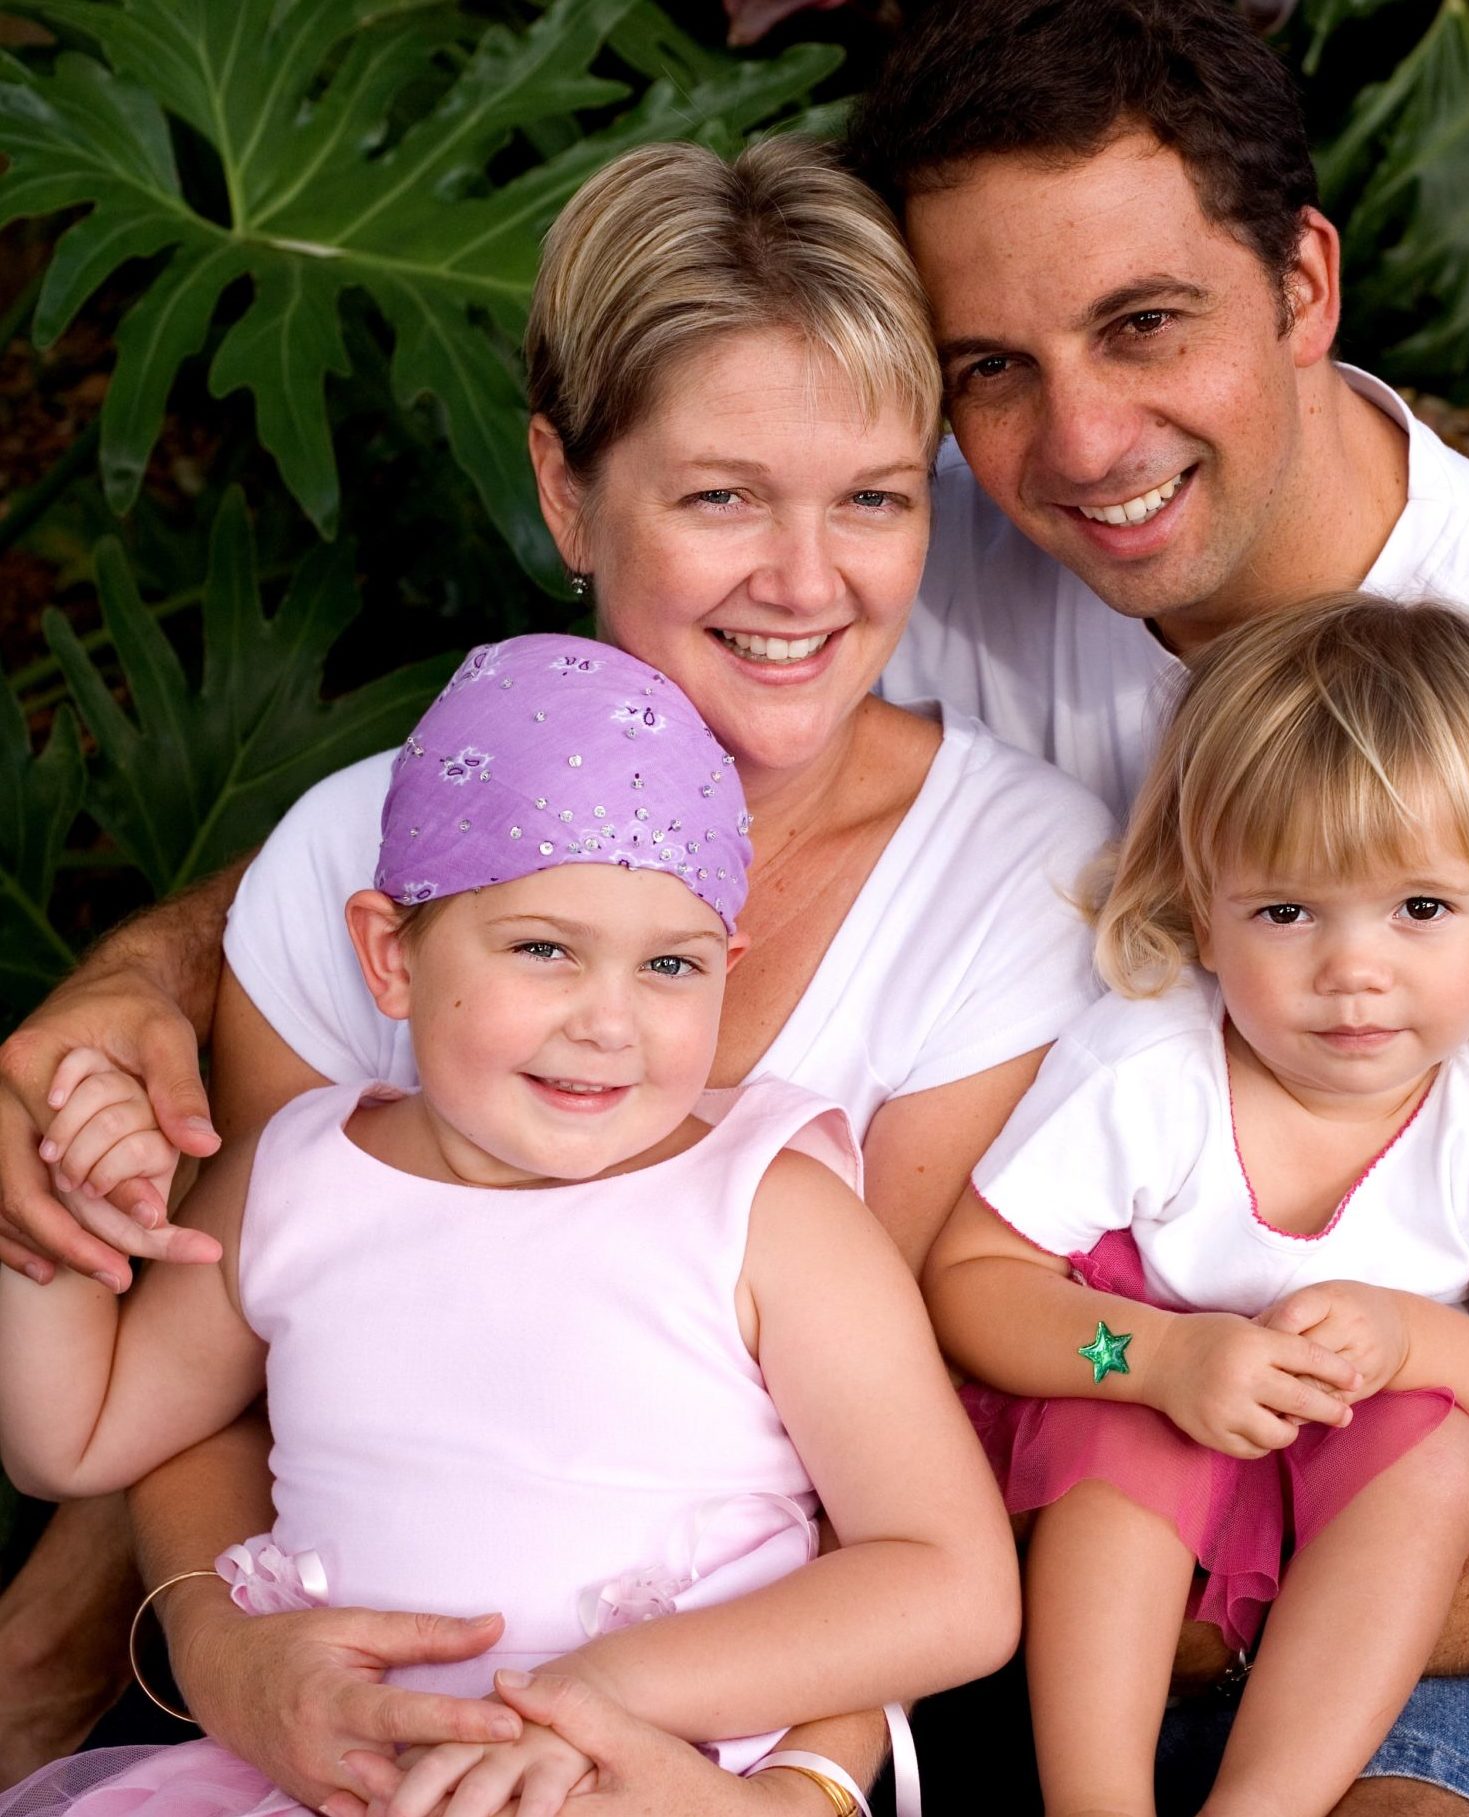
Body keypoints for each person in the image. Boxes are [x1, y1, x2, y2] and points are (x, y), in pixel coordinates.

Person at [0, 138, 1110, 1813]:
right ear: (564, 485)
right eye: (720, 494)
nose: (807, 583)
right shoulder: (346, 856)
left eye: (874, 498)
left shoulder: (1013, 886)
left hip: (709, 1748)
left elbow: (845, 1482)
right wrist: (249, 1674)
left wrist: (775, 1789)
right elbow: (223, 1386)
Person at [845, 2, 1469, 1809]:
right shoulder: (912, 554)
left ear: (1302, 284)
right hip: (1058, 1477)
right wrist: (163, 978)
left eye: (1142, 324)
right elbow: (594, 778)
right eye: (991, 367)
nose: (1080, 441)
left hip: (1439, 1564)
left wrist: (1248, 1597)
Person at [0, 632, 1020, 1817]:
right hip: (333, 1782)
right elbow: (72, 1440)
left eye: (670, 966)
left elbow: (951, 1583)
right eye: (545, 949)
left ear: (725, 965)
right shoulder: (298, 1177)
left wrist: (604, 1690)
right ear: (391, 954)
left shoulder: (770, 1213)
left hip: (654, 1781)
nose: (609, 1020)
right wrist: (75, 1202)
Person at [925, 597, 1469, 1817]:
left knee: (1438, 1445)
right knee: (1120, 1426)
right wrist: (1154, 1353)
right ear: (1203, 907)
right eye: (1287, 910)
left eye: (1420, 907)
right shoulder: (1150, 1064)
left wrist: (1412, 1338)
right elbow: (977, 1282)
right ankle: (1095, 1799)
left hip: (1368, 1496)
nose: (1355, 968)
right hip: (1155, 1441)